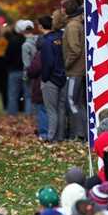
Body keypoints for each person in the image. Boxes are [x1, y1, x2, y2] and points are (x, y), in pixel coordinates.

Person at [61, 0, 86, 141]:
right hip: (78, 70)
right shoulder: (76, 24)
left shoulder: (72, 26)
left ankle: (80, 134)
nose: (61, 11)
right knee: (79, 103)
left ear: (66, 9)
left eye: (63, 8)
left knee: (71, 102)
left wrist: (66, 65)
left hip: (74, 71)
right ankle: (83, 133)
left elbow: (75, 50)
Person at [39, 13, 67, 142]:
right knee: (61, 108)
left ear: (40, 26)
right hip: (63, 76)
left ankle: (51, 137)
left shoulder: (46, 41)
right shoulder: (61, 38)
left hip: (51, 78)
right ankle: (60, 135)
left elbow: (48, 62)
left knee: (51, 110)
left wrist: (44, 78)